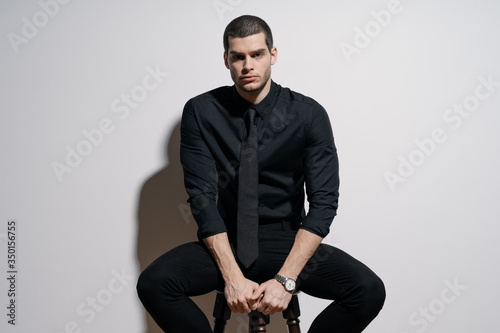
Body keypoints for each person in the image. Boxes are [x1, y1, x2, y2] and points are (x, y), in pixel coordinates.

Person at [137, 15, 385, 332]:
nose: (247, 66)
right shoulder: (201, 112)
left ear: (273, 54)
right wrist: (232, 276)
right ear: (226, 59)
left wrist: (286, 279)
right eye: (238, 57)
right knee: (154, 283)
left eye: (257, 54)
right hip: (228, 242)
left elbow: (324, 203)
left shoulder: (308, 115)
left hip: (287, 241)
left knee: (368, 290)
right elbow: (201, 200)